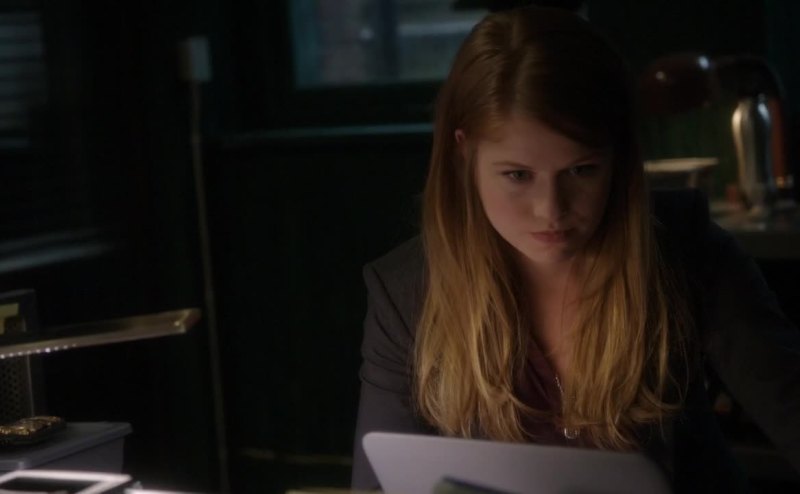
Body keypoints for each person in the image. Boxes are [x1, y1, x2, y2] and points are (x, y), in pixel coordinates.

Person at [351, 6, 800, 492]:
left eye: (581, 170)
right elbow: (378, 485)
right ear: (465, 153)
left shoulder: (683, 250)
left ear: (617, 157)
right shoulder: (407, 293)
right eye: (517, 175)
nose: (551, 210)